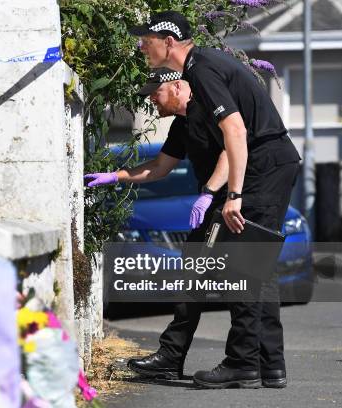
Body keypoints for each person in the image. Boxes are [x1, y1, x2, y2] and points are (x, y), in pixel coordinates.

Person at [127, 10, 301, 389]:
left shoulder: (201, 68)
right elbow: (164, 163)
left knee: (243, 263)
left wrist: (232, 195)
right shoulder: (201, 66)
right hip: (271, 161)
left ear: (168, 42)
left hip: (265, 163)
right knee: (256, 266)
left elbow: (235, 132)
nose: (142, 46)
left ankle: (242, 364)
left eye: (147, 40)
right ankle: (268, 365)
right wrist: (116, 175)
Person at [85, 68, 229, 380]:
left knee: (248, 283)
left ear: (177, 86)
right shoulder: (182, 125)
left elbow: (232, 151)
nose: (151, 99)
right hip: (214, 205)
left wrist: (209, 193)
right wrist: (115, 176)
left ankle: (251, 361)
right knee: (192, 280)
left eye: (155, 92)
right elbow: (159, 168)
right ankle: (171, 356)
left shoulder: (209, 110)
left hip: (236, 202)